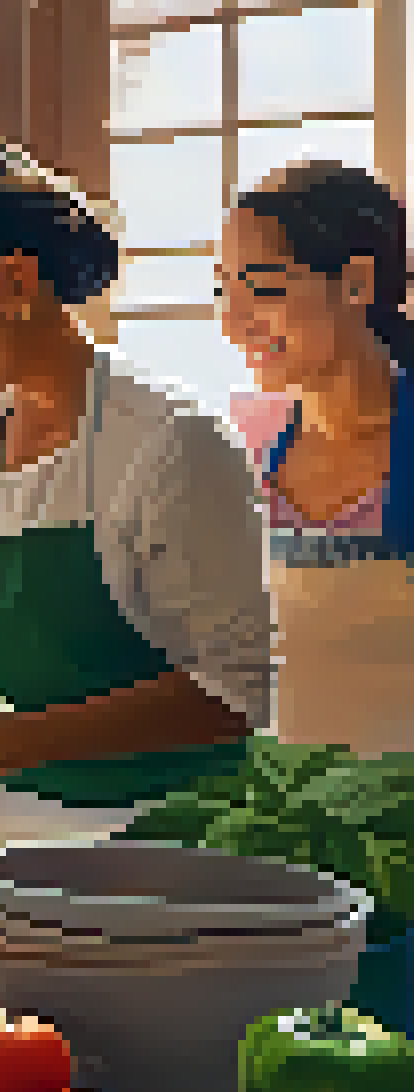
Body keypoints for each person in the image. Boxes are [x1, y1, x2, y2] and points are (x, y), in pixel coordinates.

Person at [0, 145, 272, 806]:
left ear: (15, 284)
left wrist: (14, 739)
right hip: (29, 813)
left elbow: (235, 693)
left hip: (176, 829)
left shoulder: (173, 441)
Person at [219, 160, 414, 753]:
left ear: (358, 282)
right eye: (226, 292)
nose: (234, 323)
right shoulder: (245, 444)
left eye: (264, 289)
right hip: (286, 804)